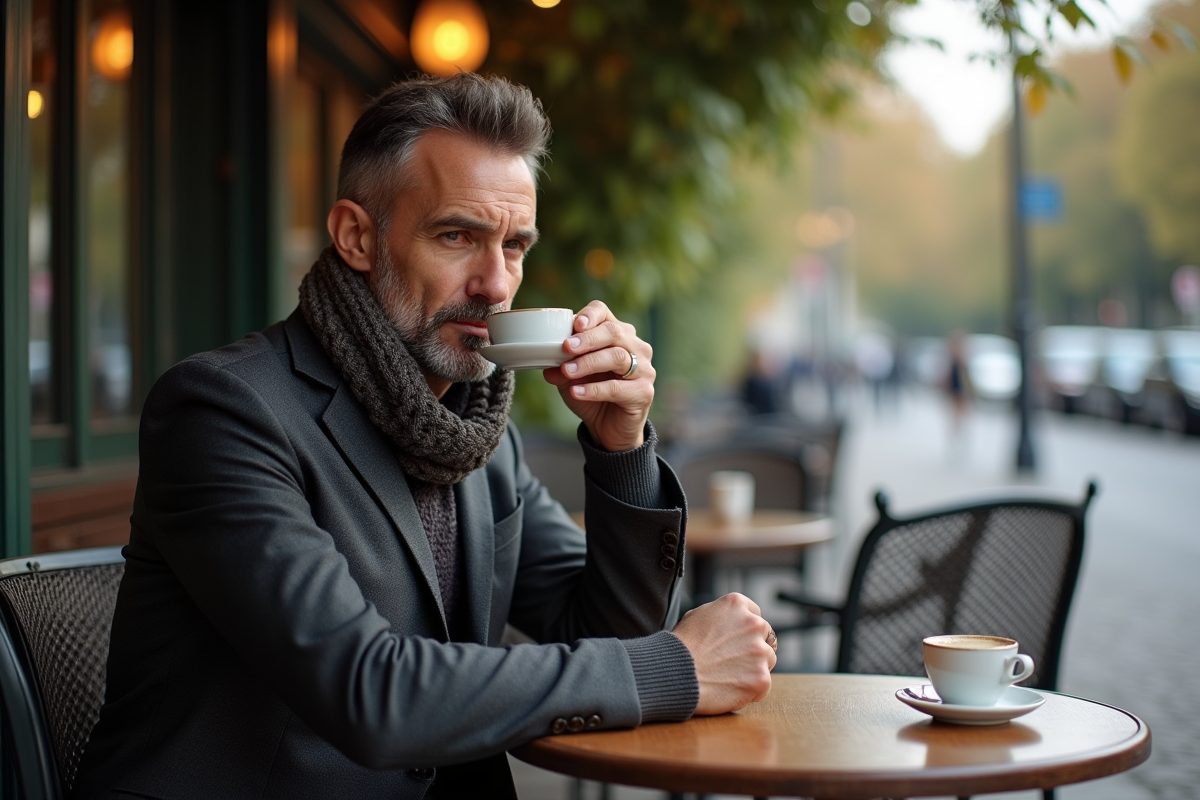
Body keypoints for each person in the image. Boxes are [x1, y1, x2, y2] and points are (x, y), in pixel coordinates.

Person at [72, 74, 777, 800]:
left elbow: (606, 629)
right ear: (355, 236)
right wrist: (675, 670)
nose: (497, 283)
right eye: (457, 236)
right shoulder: (225, 411)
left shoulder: (476, 433)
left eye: (515, 245)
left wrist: (622, 448)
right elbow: (368, 690)